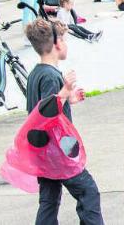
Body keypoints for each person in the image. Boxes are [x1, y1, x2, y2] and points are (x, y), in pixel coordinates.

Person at [24, 19, 104, 225]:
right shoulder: (51, 76)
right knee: (88, 191)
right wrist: (63, 92)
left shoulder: (35, 73)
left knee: (49, 199)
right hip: (57, 148)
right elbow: (46, 113)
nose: (66, 44)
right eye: (65, 40)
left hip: (42, 149)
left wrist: (69, 99)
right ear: (57, 44)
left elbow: (38, 108)